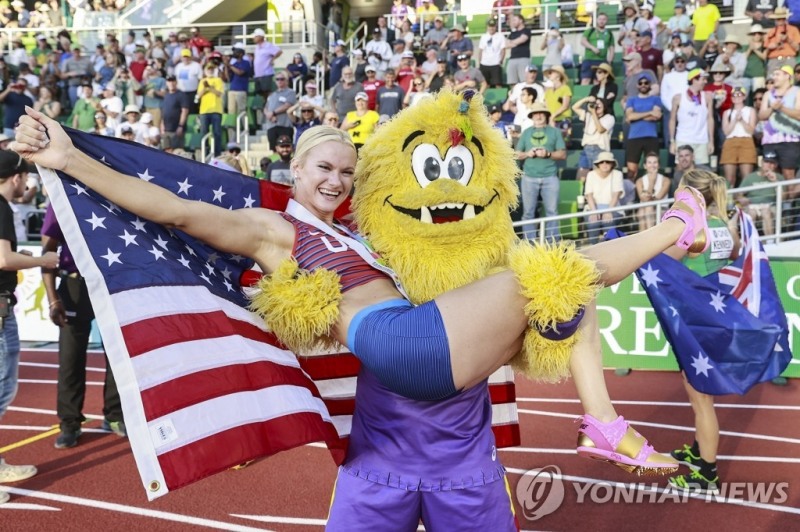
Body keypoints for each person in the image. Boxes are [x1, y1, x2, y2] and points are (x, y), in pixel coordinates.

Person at [15, 106, 711, 479]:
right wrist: (69, 157)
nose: (337, 181)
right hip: (393, 339)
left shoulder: (360, 235)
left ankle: (602, 422)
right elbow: (173, 209)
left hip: (417, 344)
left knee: (564, 288)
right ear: (296, 168)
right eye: (324, 167)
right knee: (559, 268)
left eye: (348, 171)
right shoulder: (272, 226)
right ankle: (679, 222)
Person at [666, 170, 740, 495]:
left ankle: (707, 474)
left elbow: (661, 262)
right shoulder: (723, 224)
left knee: (701, 402)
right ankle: (698, 451)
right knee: (698, 396)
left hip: (697, 322)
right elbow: (733, 255)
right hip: (710, 317)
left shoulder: (694, 229)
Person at [0, 150, 59, 505]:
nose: (27, 182)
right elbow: (4, 259)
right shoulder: (1, 207)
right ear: (15, 177)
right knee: (2, 390)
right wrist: (43, 260)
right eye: (25, 176)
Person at [40, 205, 126, 448]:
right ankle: (70, 424)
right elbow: (48, 251)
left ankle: (116, 416)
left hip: (112, 285)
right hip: (74, 287)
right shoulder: (61, 197)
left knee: (118, 356)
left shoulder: (111, 191)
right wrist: (53, 298)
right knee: (70, 359)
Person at [514, 102, 566, 241]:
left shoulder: (554, 132)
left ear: (546, 115)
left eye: (541, 113)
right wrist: (527, 154)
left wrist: (548, 154)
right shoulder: (526, 132)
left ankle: (552, 243)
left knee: (552, 212)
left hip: (550, 177)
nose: (538, 115)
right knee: (528, 213)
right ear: (532, 116)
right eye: (536, 113)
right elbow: (516, 154)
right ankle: (529, 244)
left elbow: (562, 154)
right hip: (529, 177)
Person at [758, 65, 800, 192]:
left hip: (790, 140)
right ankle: (774, 205)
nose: (774, 77)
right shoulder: (767, 94)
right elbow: (761, 115)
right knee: (769, 172)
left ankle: (788, 208)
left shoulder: (797, 91)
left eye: (777, 74)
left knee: (788, 174)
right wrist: (772, 108)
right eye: (773, 74)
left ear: (787, 76)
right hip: (770, 140)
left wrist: (781, 108)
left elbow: (798, 114)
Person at [670, 68, 714, 166]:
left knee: (701, 172)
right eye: (703, 79)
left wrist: (711, 141)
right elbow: (672, 120)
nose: (705, 82)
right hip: (683, 139)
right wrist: (672, 141)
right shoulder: (678, 97)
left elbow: (710, 119)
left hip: (701, 140)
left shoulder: (707, 97)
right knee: (681, 170)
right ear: (694, 80)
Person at [735, 151, 784, 237]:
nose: (768, 165)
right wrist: (742, 199)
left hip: (770, 206)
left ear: (775, 166)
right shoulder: (750, 177)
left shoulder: (779, 177)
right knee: (751, 213)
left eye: (772, 163)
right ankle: (751, 243)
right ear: (761, 163)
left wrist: (775, 182)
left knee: (766, 212)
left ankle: (770, 241)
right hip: (752, 205)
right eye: (766, 162)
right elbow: (738, 194)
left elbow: (784, 197)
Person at [625, 74, 662, 181]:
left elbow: (657, 116)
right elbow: (629, 116)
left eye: (646, 83)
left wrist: (636, 116)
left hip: (651, 136)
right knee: (631, 170)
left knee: (652, 167)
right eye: (641, 83)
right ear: (637, 85)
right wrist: (650, 112)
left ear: (649, 84)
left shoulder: (656, 99)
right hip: (634, 137)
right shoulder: (631, 99)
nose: (643, 85)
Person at [719, 86, 757, 187]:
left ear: (744, 97)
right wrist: (735, 120)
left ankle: (745, 199)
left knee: (746, 176)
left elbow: (751, 130)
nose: (737, 97)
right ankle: (730, 200)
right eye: (734, 95)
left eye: (739, 95)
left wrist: (742, 120)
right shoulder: (727, 113)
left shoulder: (750, 110)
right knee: (730, 178)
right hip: (730, 141)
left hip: (746, 141)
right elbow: (726, 131)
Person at [584, 151, 624, 244]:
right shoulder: (591, 174)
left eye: (608, 162)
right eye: (602, 162)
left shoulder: (618, 174)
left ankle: (610, 250)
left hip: (613, 208)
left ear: (612, 164)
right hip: (593, 207)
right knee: (593, 222)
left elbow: (617, 194)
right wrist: (594, 211)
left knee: (608, 222)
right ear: (598, 164)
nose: (604, 164)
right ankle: (592, 248)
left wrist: (608, 210)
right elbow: (589, 195)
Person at [572, 96, 615, 181]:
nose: (596, 106)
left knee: (598, 177)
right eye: (595, 104)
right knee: (581, 177)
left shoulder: (609, 118)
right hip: (586, 149)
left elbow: (600, 129)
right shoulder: (588, 116)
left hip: (600, 150)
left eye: (599, 104)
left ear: (604, 106)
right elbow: (574, 107)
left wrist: (593, 113)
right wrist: (586, 99)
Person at [635, 152, 671, 231]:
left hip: (661, 208)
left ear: (659, 165)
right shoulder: (639, 181)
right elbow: (643, 199)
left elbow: (658, 197)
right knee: (643, 211)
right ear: (645, 166)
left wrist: (651, 183)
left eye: (655, 162)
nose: (652, 165)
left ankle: (648, 238)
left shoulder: (666, 180)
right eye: (649, 162)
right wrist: (651, 182)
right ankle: (647, 239)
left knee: (646, 210)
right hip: (645, 209)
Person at [580, 12, 615, 85]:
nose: (602, 21)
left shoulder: (609, 33)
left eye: (604, 19)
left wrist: (610, 59)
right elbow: (583, 41)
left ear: (606, 21)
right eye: (600, 19)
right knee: (586, 80)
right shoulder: (590, 31)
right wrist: (592, 48)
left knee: (598, 81)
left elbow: (611, 47)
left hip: (601, 61)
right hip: (589, 59)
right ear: (597, 20)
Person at [763, 7, 800, 74]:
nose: (780, 21)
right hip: (774, 60)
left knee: (790, 80)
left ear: (785, 19)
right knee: (772, 81)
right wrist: (770, 48)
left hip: (789, 59)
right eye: (778, 19)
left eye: (782, 19)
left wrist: (788, 40)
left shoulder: (793, 30)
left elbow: (797, 49)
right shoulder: (771, 32)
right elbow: (765, 54)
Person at [504, 14, 531, 89]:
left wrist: (512, 42)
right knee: (512, 82)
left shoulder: (526, 31)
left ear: (521, 20)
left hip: (523, 58)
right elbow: (506, 45)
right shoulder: (512, 33)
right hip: (512, 59)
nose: (513, 22)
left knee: (524, 81)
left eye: (515, 20)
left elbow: (522, 39)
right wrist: (515, 42)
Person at [477, 19, 506, 89]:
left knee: (498, 84)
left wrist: (501, 60)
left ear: (495, 27)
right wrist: (480, 62)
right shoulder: (483, 36)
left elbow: (503, 49)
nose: (491, 28)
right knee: (485, 84)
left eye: (493, 26)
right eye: (490, 26)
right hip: (484, 63)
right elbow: (480, 50)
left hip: (496, 63)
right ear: (487, 27)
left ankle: (500, 99)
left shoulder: (500, 36)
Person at [745, 25, 768, 91]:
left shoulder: (765, 46)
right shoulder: (746, 47)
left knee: (758, 95)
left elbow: (764, 57)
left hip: (759, 75)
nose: (757, 35)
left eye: (759, 33)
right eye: (754, 34)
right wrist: (750, 48)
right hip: (747, 75)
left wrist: (754, 49)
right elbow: (743, 59)